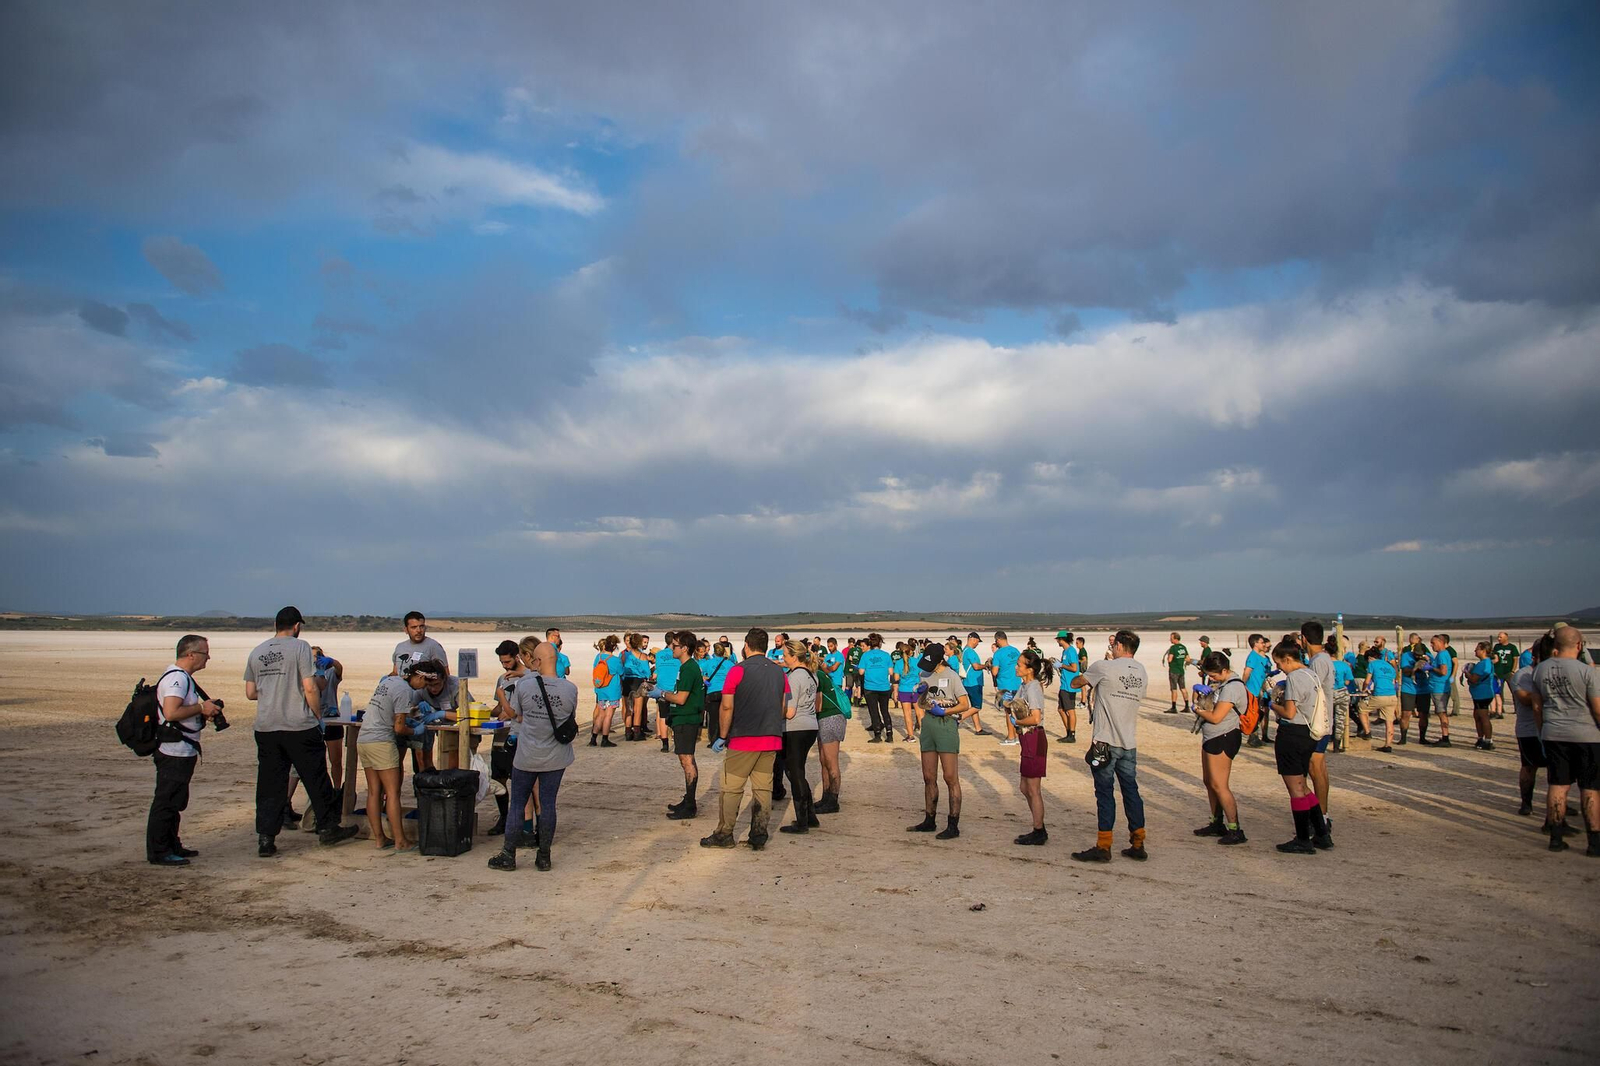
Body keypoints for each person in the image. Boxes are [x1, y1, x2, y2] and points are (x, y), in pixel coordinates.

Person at [246, 607, 359, 857]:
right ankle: (328, 828)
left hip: (266, 726)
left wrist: (274, 691)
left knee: (269, 783)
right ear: (297, 626)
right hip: (298, 725)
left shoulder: (258, 651)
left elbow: (251, 693)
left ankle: (266, 838)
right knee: (316, 778)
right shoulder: (300, 648)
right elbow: (310, 687)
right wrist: (317, 716)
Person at [488, 639, 577, 872]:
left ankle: (509, 853)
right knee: (548, 805)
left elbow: (516, 715)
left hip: (528, 753)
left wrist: (504, 697)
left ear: (535, 661)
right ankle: (544, 855)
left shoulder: (525, 685)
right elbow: (568, 719)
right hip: (556, 755)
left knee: (518, 803)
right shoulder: (570, 689)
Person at [701, 628, 786, 851]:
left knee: (731, 788)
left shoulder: (738, 670)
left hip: (744, 738)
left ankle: (724, 833)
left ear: (746, 646)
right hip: (771, 738)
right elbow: (783, 706)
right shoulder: (779, 673)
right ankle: (759, 834)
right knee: (763, 788)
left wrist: (721, 736)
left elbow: (727, 706)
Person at [1068, 630, 1149, 862]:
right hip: (1129, 741)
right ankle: (1138, 841)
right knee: (1131, 791)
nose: (1111, 647)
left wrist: (1092, 675)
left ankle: (1104, 846)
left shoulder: (1105, 667)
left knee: (1104, 793)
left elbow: (1076, 682)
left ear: (1121, 646)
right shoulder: (1141, 671)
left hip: (1104, 741)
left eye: (1114, 644)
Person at [147, 634, 221, 866]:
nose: (208, 658)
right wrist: (201, 708)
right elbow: (171, 713)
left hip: (180, 749)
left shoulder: (180, 677)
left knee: (175, 801)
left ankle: (171, 844)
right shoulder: (177, 679)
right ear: (190, 654)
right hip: (174, 750)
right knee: (167, 801)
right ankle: (160, 851)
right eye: (204, 653)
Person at [1527, 627, 1600, 855]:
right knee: (1590, 788)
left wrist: (1542, 731)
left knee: (1558, 785)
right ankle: (1594, 842)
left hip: (1554, 733)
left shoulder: (1539, 670)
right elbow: (1597, 708)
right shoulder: (1587, 671)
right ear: (1579, 645)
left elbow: (1537, 707)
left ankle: (1555, 838)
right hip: (1586, 734)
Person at [1269, 639, 1333, 854]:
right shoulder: (1310, 673)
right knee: (1304, 787)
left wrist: (1271, 704)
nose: (1279, 669)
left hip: (1293, 734)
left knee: (1295, 789)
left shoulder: (1295, 677)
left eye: (1279, 664)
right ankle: (1322, 833)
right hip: (1309, 735)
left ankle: (1303, 839)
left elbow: (1289, 712)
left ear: (1288, 659)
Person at [356, 665, 428, 851]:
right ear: (419, 677)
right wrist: (415, 730)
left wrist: (407, 716)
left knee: (374, 792)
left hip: (364, 739)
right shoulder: (405, 691)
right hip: (381, 742)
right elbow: (399, 728)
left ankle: (380, 839)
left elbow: (390, 711)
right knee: (393, 793)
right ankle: (401, 841)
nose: (425, 687)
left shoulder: (390, 680)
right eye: (425, 682)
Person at [906, 643, 973, 840]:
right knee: (928, 776)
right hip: (928, 725)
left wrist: (945, 711)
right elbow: (922, 700)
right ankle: (929, 819)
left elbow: (964, 704)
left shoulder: (951, 676)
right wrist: (920, 695)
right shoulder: (924, 674)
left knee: (950, 777)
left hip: (946, 725)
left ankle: (953, 824)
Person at [1194, 651, 1248, 845]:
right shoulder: (1223, 685)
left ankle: (1235, 828)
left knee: (1220, 785)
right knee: (1209, 781)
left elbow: (1216, 717)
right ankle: (1216, 822)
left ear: (1225, 670)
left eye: (1214, 675)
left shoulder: (1232, 688)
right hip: (1212, 737)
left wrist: (1198, 710)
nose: (1211, 678)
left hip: (1223, 737)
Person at [391, 611, 448, 771]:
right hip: (402, 707)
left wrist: (431, 701)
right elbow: (395, 672)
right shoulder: (400, 647)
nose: (418, 630)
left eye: (421, 626)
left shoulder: (433, 647)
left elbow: (444, 675)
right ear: (406, 629)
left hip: (423, 710)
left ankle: (425, 791)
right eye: (414, 627)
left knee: (422, 756)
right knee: (397, 755)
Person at [1009, 649, 1054, 845]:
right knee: (1024, 787)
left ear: (1029, 669)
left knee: (1033, 788)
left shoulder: (1034, 687)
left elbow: (1035, 718)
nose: (1016, 667)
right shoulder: (1024, 685)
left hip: (1034, 737)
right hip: (1026, 739)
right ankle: (1038, 826)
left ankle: (1039, 830)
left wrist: (1017, 722)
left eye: (1019, 664)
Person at [777, 640, 822, 834]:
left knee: (794, 772)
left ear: (794, 657)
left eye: (785, 655)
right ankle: (810, 816)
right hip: (810, 725)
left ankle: (802, 821)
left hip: (796, 727)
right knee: (797, 771)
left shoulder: (795, 677)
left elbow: (790, 712)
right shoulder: (812, 675)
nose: (783, 658)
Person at [662, 631, 706, 820]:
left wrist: (662, 694)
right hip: (684, 718)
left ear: (685, 648)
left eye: (675, 645)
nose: (672, 648)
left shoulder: (689, 668)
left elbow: (681, 698)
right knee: (685, 759)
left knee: (687, 760)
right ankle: (688, 800)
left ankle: (690, 805)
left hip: (687, 719)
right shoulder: (687, 667)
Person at [1511, 635, 1553, 821]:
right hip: (1529, 730)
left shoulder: (1553, 673)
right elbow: (1525, 698)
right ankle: (1526, 803)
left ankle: (1560, 806)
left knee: (1557, 770)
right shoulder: (1524, 674)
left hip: (1552, 729)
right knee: (1529, 767)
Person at [1302, 622, 1337, 839]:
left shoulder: (1318, 662)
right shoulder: (1322, 659)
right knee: (1319, 767)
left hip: (1318, 722)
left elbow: (1313, 691)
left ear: (1304, 638)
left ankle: (1321, 817)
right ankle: (1322, 814)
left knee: (1315, 768)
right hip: (1324, 720)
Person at [488, 640, 526, 837]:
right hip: (501, 734)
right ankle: (503, 817)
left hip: (519, 733)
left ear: (517, 656)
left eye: (508, 661)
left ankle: (521, 821)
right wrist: (487, 712)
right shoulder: (502, 678)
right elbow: (498, 708)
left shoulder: (526, 677)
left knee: (520, 780)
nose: (505, 666)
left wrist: (506, 708)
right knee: (498, 778)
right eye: (502, 662)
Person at [813, 649, 849, 814]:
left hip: (830, 718)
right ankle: (826, 796)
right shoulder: (819, 674)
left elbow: (818, 705)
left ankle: (833, 799)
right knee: (823, 760)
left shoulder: (818, 676)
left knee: (831, 761)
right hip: (826, 718)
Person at [857, 633, 895, 743]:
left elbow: (861, 671)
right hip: (884, 687)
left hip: (870, 687)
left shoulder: (866, 656)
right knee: (885, 711)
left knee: (873, 711)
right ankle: (889, 734)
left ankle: (877, 735)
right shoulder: (886, 655)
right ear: (880, 643)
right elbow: (891, 672)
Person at [1363, 645, 1400, 752]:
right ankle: (1388, 745)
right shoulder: (1390, 666)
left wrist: (1364, 689)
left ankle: (1367, 732)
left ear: (1370, 658)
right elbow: (1393, 682)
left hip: (1380, 694)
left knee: (1362, 709)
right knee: (1389, 721)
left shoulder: (1372, 664)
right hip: (1392, 695)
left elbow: (1367, 681)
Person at [988, 631, 1022, 746]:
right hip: (1017, 684)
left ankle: (1011, 736)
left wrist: (991, 666)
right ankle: (1017, 736)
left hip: (1005, 685)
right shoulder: (1015, 650)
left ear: (998, 640)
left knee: (1008, 711)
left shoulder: (998, 654)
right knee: (1017, 711)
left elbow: (994, 671)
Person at [701, 638, 736, 746]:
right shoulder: (729, 664)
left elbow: (699, 673)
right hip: (726, 692)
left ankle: (713, 740)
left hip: (712, 692)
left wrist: (706, 682)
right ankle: (726, 739)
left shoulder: (708, 663)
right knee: (727, 715)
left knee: (713, 718)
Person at [590, 635, 623, 746]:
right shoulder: (615, 660)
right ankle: (605, 739)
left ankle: (593, 738)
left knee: (600, 714)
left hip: (601, 689)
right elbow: (621, 672)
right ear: (614, 647)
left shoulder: (598, 657)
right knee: (608, 715)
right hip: (612, 690)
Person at [620, 632, 653, 742]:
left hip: (627, 682)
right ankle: (637, 732)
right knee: (637, 709)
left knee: (629, 709)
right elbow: (647, 673)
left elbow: (622, 669)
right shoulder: (642, 656)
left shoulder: (625, 655)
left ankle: (628, 732)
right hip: (638, 682)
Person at [1464, 641, 1497, 750]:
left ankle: (1488, 740)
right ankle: (1480, 738)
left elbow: (1474, 679)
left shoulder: (1484, 663)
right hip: (1479, 694)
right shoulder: (1485, 663)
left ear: (1483, 651)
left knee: (1483, 717)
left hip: (1483, 694)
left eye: (1477, 649)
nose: (1475, 651)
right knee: (1477, 716)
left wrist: (1467, 673)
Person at [654, 631, 682, 753]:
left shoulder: (659, 654)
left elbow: (659, 669)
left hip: (661, 688)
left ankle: (664, 744)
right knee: (676, 716)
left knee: (662, 716)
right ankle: (676, 742)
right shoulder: (678, 654)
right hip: (674, 689)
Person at [1425, 634, 1454, 747]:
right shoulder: (1443, 654)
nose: (1431, 645)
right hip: (1439, 687)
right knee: (1440, 712)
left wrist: (1431, 668)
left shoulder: (1442, 655)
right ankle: (1444, 736)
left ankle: (1445, 737)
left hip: (1439, 688)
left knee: (1442, 713)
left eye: (1433, 643)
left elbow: (1443, 671)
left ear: (1441, 642)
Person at [961, 632, 990, 736]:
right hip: (973, 682)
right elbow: (976, 666)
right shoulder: (970, 651)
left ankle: (978, 729)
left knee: (974, 706)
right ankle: (959, 719)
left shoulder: (964, 651)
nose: (977, 644)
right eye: (977, 641)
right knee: (977, 706)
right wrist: (986, 666)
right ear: (972, 639)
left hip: (967, 682)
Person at [1399, 634, 1426, 746]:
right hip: (1408, 689)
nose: (1418, 657)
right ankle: (1403, 737)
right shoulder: (1406, 656)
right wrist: (1415, 668)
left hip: (1423, 689)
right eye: (1416, 655)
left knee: (1423, 714)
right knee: (1406, 713)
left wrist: (1428, 665)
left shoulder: (1428, 656)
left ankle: (1422, 737)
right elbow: (1405, 671)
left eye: (1420, 655)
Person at [1054, 629, 1079, 742]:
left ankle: (1072, 734)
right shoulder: (1065, 652)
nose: (1057, 642)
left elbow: (1074, 668)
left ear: (1062, 639)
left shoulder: (1070, 651)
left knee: (1070, 710)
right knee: (1061, 709)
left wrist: (1062, 665)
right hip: (1064, 684)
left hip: (1070, 685)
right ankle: (1068, 731)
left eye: (1058, 639)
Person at [892, 642, 920, 741]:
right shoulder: (916, 661)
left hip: (904, 689)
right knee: (920, 713)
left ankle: (911, 736)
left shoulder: (898, 663)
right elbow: (920, 673)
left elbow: (896, 677)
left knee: (907, 714)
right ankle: (925, 735)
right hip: (916, 689)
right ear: (910, 652)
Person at [1490, 631, 1519, 719]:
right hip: (1499, 673)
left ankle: (1517, 708)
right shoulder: (1496, 647)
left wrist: (1513, 671)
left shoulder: (1512, 647)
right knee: (1499, 692)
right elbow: (1494, 658)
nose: (1499, 639)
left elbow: (1515, 659)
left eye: (1500, 637)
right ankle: (1500, 709)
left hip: (1508, 672)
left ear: (1506, 637)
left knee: (1514, 691)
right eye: (1498, 637)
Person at [1162, 632, 1190, 714]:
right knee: (1183, 688)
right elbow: (1188, 659)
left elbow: (1170, 659)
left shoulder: (1173, 648)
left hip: (1174, 670)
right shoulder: (1183, 647)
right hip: (1181, 670)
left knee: (1174, 689)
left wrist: (1169, 659)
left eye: (1171, 638)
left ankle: (1174, 707)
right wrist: (1180, 660)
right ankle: (1187, 706)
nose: (1170, 639)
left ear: (1175, 639)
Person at [845, 637, 865, 707]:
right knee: (858, 686)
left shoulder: (850, 650)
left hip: (849, 670)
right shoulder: (862, 652)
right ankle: (857, 701)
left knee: (848, 686)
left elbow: (849, 659)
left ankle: (848, 700)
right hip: (857, 671)